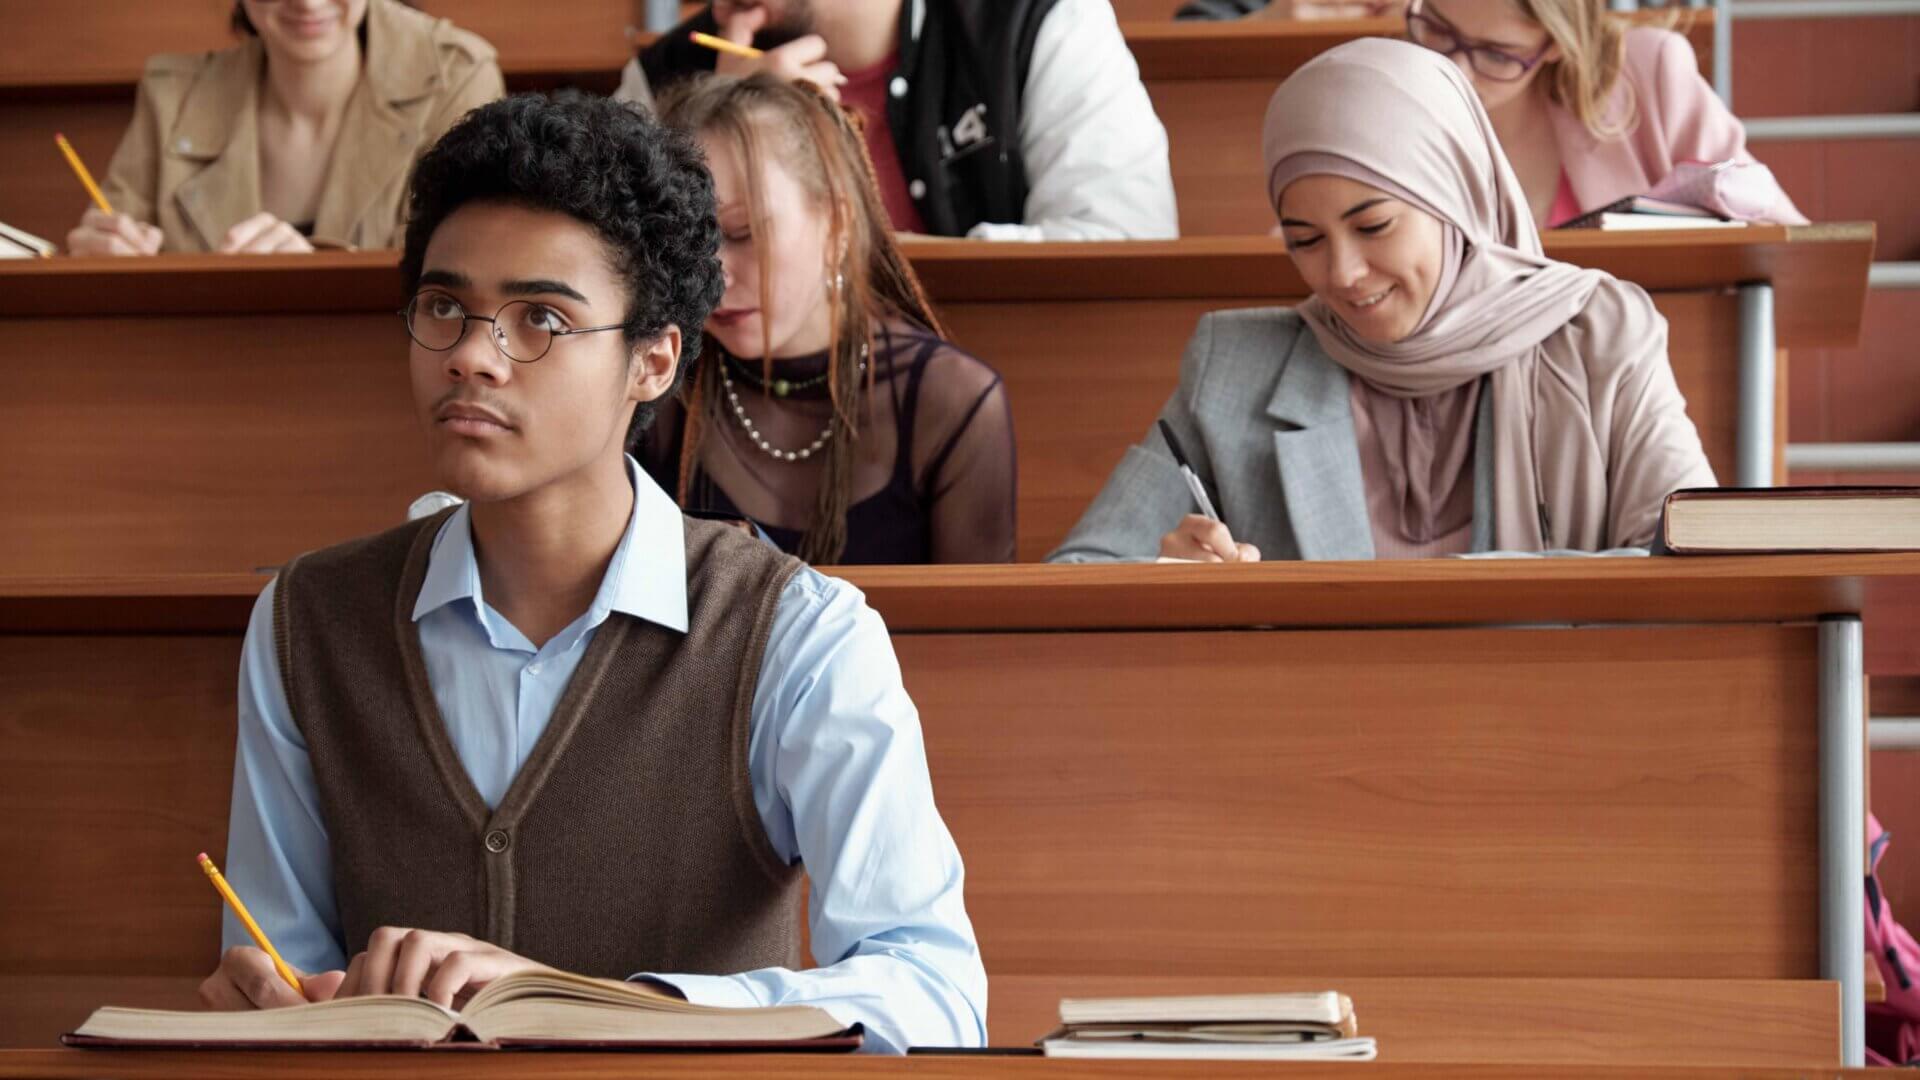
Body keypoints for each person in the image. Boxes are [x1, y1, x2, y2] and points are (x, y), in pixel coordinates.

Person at [196, 91, 986, 1055]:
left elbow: (937, 992)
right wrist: (273, 1015)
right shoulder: (305, 623)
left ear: (653, 361)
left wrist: (603, 1007)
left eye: (540, 319)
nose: (474, 359)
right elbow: (281, 969)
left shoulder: (798, 634)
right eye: (445, 306)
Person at [1049, 38, 1716, 565]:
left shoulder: (1599, 334)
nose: (1342, 274)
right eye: (1304, 240)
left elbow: (1694, 551)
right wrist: (1163, 580)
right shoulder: (1235, 368)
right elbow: (1081, 571)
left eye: (1374, 227)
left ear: (1453, 196)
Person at [647, 75, 1015, 565]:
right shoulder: (655, 381)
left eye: (744, 232)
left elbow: (981, 637)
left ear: (836, 224)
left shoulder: (949, 402)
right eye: (690, 240)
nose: (714, 274)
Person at [618, 0, 1178, 241]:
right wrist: (717, 137)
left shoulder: (1035, 20)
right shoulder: (666, 74)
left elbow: (1127, 240)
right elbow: (609, 279)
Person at [66, 0, 503, 255]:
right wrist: (97, 255)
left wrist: (315, 278)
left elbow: (477, 267)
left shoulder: (457, 76)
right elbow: (109, 250)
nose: (308, 2)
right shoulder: (171, 98)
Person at [1400, 0, 1804, 226]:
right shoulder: (1395, 94)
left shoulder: (1648, 74)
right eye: (1437, 29)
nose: (1455, 69)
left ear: (1557, 42)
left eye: (1495, 54)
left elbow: (1782, 236)